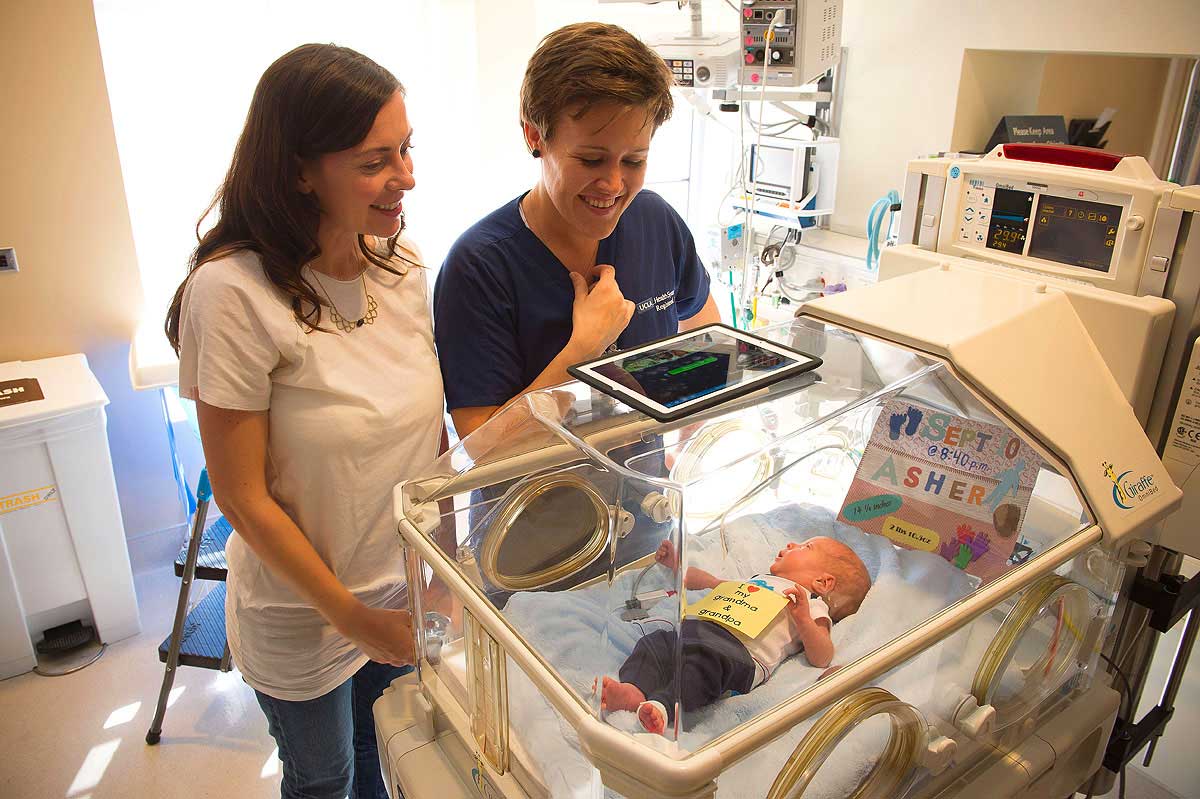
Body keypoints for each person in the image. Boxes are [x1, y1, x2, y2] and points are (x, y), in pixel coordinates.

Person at [165, 44, 442, 799]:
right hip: (307, 609)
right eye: (374, 160)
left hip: (401, 588)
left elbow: (431, 439)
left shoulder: (402, 265)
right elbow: (242, 499)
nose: (407, 175)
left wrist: (444, 569)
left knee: (386, 754)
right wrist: (354, 617)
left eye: (406, 149)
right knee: (325, 775)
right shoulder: (232, 295)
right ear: (298, 170)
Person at [434, 22, 722, 440]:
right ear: (536, 136)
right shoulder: (481, 265)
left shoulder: (654, 222)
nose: (613, 185)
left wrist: (685, 438)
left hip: (646, 496)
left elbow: (707, 342)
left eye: (634, 161)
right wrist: (582, 352)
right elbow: (479, 446)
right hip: (531, 502)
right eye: (590, 160)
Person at [600, 537, 872, 734]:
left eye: (805, 547)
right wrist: (676, 565)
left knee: (701, 667)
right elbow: (710, 582)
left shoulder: (811, 603)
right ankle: (635, 689)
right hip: (697, 631)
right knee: (655, 642)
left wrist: (802, 618)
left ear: (823, 583)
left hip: (737, 655)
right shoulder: (758, 581)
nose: (791, 544)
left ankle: (663, 705)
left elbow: (823, 656)